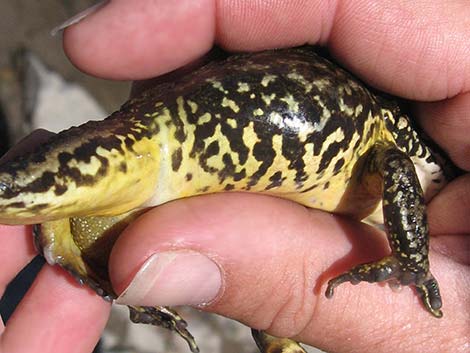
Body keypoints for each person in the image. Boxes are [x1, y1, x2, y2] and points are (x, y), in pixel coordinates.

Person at [1, 1, 468, 352]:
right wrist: (411, 259)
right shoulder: (384, 171)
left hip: (182, 144)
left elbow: (398, 166)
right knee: (50, 192)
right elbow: (397, 168)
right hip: (166, 134)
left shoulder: (390, 164)